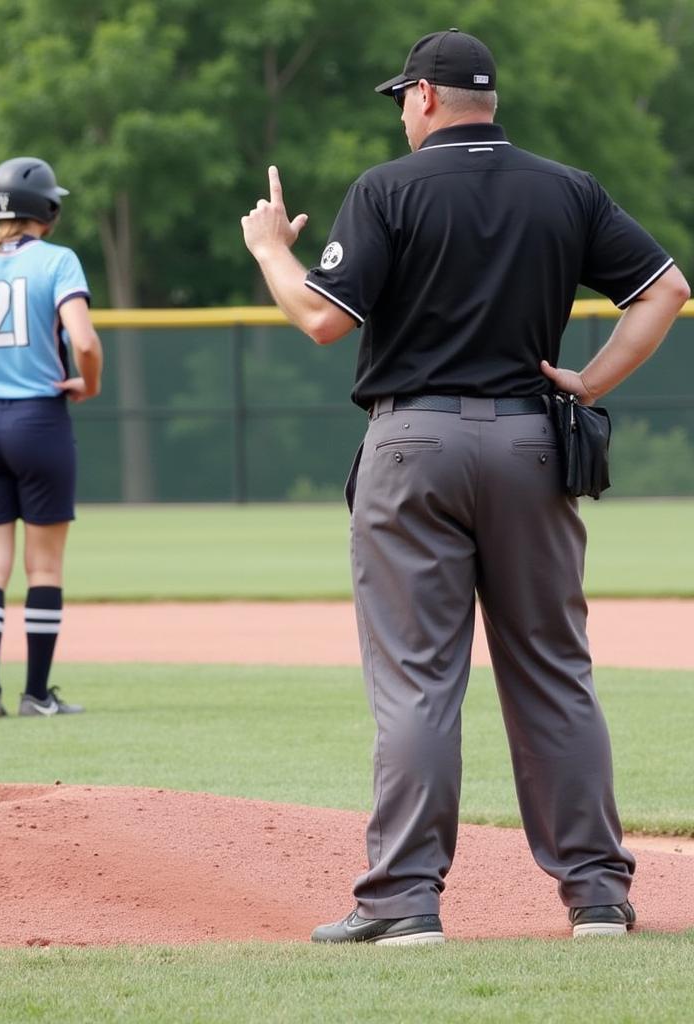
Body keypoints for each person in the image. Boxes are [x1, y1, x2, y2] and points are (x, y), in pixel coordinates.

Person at [241, 28, 689, 944]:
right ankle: (598, 897)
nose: (403, 109)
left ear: (429, 98)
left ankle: (406, 905)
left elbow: (323, 322)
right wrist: (590, 382)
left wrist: (268, 250)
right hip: (532, 442)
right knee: (556, 674)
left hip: (413, 446)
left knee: (417, 682)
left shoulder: (387, 188)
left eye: (403, 95)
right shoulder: (567, 188)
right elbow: (665, 289)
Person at [0, 156, 102, 720]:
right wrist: (90, 383)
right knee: (45, 568)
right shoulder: (59, 261)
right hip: (40, 421)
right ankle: (36, 695)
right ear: (47, 210)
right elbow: (85, 341)